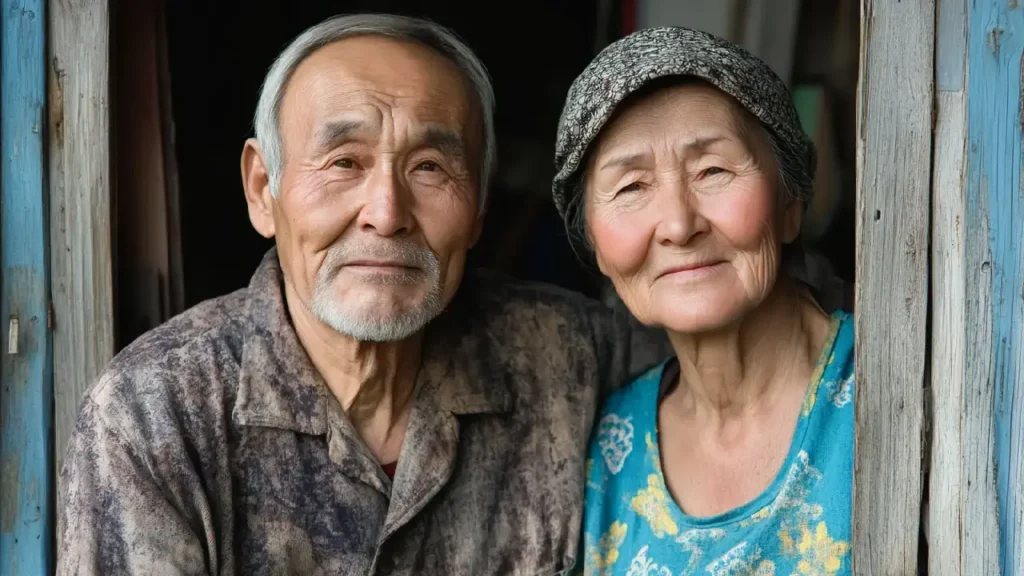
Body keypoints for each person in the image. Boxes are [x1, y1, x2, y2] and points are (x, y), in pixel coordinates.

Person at [57, 14, 672, 575]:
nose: (386, 213)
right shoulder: (154, 415)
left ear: (479, 208)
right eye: (344, 162)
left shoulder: (573, 355)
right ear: (263, 189)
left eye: (429, 167)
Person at [551, 28, 855, 575]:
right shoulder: (610, 447)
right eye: (631, 187)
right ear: (595, 245)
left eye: (713, 170)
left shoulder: (894, 390)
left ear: (791, 202)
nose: (678, 224)